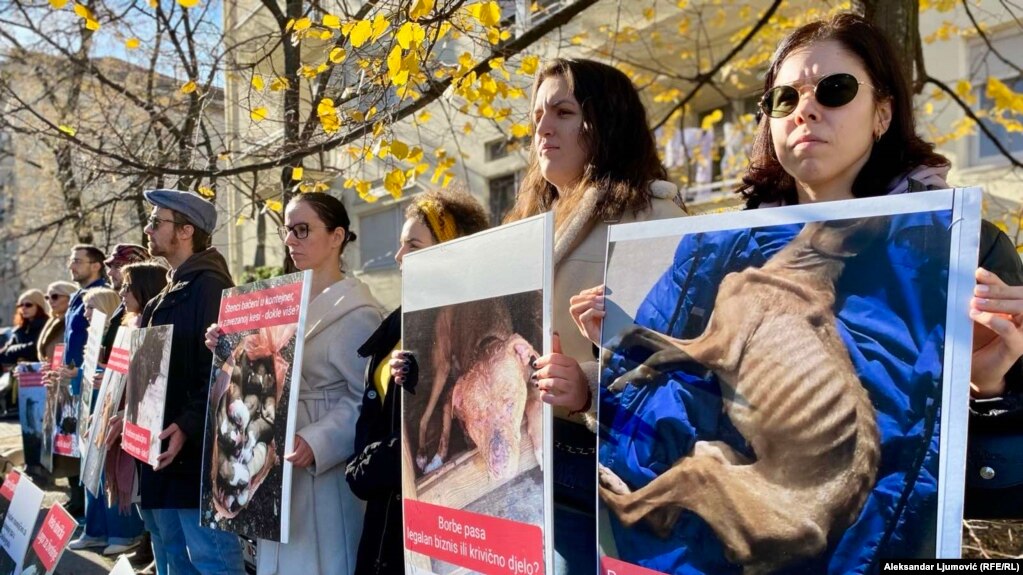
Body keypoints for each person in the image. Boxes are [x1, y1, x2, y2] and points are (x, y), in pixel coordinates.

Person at [570, 13, 1023, 572]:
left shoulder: (964, 250)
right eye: (785, 98)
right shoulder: (711, 248)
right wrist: (608, 355)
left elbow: (995, 493)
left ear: (883, 112)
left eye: (834, 90)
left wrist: (993, 390)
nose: (806, 110)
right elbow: (649, 402)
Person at [499, 58, 686, 574]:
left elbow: (684, 367)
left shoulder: (654, 216)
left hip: (603, 478)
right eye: (538, 113)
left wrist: (586, 386)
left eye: (562, 111)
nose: (542, 126)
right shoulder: (523, 226)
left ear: (605, 121)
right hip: (522, 470)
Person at [203, 192, 382, 575]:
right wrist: (229, 345)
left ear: (337, 236)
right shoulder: (281, 300)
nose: (290, 240)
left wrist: (319, 440)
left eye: (303, 230)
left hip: (320, 471)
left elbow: (364, 399)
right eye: (288, 230)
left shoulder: (359, 313)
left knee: (321, 561)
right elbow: (258, 372)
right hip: (271, 456)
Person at [345, 189, 490, 575]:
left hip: (440, 528)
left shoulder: (471, 323)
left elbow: (462, 427)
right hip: (383, 522)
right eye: (400, 243)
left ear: (450, 250)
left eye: (414, 244)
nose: (398, 256)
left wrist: (377, 461)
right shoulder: (394, 324)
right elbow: (372, 409)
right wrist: (364, 463)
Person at [113, 188, 243, 575]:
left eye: (157, 222)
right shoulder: (166, 295)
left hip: (196, 457)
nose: (148, 230)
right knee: (172, 555)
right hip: (162, 452)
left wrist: (186, 426)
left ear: (186, 230)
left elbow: (224, 369)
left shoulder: (210, 287)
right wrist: (130, 415)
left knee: (211, 558)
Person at [68, 286, 147, 556]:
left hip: (120, 407)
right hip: (98, 405)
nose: (85, 313)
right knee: (95, 471)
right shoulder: (98, 334)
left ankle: (123, 533)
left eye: (90, 307)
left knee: (115, 471)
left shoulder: (126, 329)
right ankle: (96, 530)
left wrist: (110, 380)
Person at [0, 290, 48, 366]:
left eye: (28, 305)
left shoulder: (47, 325)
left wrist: (12, 350)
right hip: (20, 374)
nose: (23, 308)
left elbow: (34, 348)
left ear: (39, 306)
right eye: (21, 305)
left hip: (41, 372)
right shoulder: (19, 329)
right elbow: (4, 353)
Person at [37, 282, 77, 365]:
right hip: (51, 372)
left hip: (66, 373)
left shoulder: (75, 321)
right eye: (47, 297)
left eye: (55, 297)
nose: (50, 301)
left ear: (70, 297)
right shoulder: (52, 320)